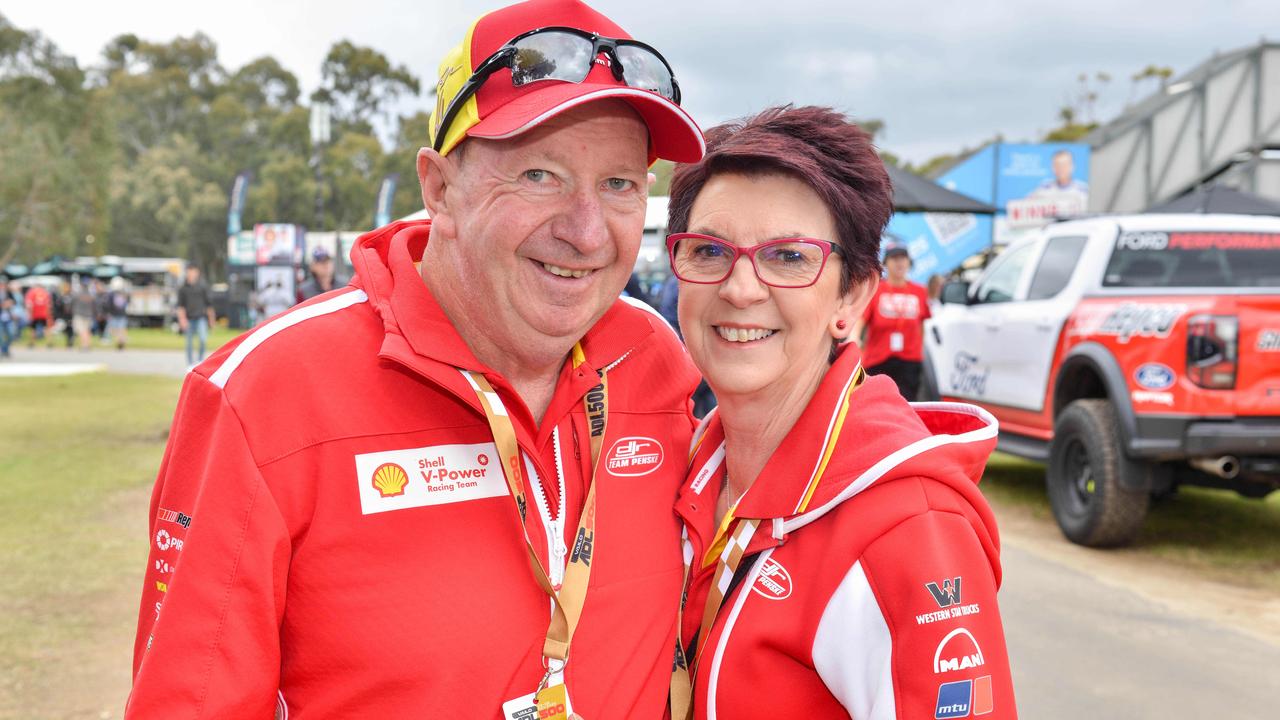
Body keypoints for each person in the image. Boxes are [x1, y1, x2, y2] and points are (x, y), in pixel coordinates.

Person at [125, 1, 704, 718]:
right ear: (440, 189)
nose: (587, 232)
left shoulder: (655, 358)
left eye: (619, 185)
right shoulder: (265, 393)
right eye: (539, 176)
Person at [665, 106, 1015, 719]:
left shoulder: (908, 527)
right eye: (709, 250)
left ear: (852, 297)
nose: (740, 288)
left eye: (789, 257)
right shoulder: (689, 464)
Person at [853, 245, 932, 400]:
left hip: (910, 360)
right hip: (878, 360)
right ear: (885, 263)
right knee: (876, 405)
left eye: (903, 258)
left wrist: (919, 348)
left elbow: (922, 324)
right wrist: (855, 338)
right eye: (894, 258)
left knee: (908, 404)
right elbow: (861, 319)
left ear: (909, 262)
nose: (899, 263)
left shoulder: (919, 291)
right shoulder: (876, 289)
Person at [176, 265, 215, 366]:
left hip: (201, 318)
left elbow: (209, 304)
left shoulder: (202, 287)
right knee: (189, 343)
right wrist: (182, 320)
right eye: (189, 271)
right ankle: (190, 364)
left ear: (197, 273)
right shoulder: (183, 288)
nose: (191, 273)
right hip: (189, 318)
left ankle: (200, 361)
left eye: (193, 271)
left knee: (203, 339)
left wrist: (211, 319)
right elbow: (180, 306)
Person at [70, 278, 96, 351]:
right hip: (89, 315)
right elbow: (94, 305)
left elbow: (72, 303)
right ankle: (87, 344)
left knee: (82, 331)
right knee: (87, 330)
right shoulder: (91, 295)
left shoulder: (77, 294)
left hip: (79, 314)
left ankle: (84, 345)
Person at [24, 282, 52, 348]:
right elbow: (49, 304)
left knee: (33, 329)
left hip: (34, 313)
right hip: (44, 313)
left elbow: (29, 304)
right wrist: (48, 313)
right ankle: (49, 343)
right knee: (46, 328)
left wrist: (29, 313)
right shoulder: (45, 293)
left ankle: (32, 343)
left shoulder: (31, 293)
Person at [107, 276, 130, 350]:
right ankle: (121, 341)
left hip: (114, 314)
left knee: (114, 329)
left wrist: (109, 313)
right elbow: (127, 302)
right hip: (122, 314)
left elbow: (109, 304)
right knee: (121, 329)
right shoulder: (124, 293)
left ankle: (120, 341)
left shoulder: (111, 294)